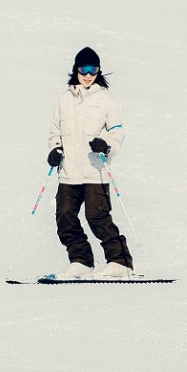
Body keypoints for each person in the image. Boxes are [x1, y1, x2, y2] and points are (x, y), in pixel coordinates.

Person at [47, 47, 134, 280]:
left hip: (95, 170)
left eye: (93, 70)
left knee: (97, 217)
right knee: (64, 216)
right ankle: (81, 260)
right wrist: (55, 150)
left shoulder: (105, 100)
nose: (88, 74)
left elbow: (117, 133)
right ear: (76, 69)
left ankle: (119, 261)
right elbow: (56, 131)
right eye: (84, 69)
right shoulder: (64, 100)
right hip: (68, 171)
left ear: (98, 72)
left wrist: (104, 144)